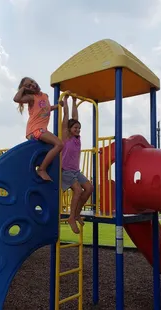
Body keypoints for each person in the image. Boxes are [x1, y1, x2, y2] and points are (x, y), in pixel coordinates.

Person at [13, 77, 63, 181]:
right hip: (34, 129)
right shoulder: (31, 97)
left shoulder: (45, 96)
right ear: (28, 90)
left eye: (32, 82)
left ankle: (42, 166)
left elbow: (46, 109)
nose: (32, 85)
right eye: (29, 85)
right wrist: (23, 88)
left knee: (50, 148)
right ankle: (41, 169)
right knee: (59, 144)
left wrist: (57, 106)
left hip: (41, 129)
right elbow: (16, 99)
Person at [60, 92, 94, 234]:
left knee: (89, 188)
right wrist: (66, 101)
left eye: (79, 128)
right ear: (69, 129)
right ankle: (71, 218)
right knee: (78, 190)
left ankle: (77, 213)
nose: (78, 130)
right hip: (65, 171)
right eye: (75, 128)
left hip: (75, 171)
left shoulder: (77, 138)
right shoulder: (66, 136)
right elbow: (67, 117)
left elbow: (75, 117)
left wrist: (75, 101)